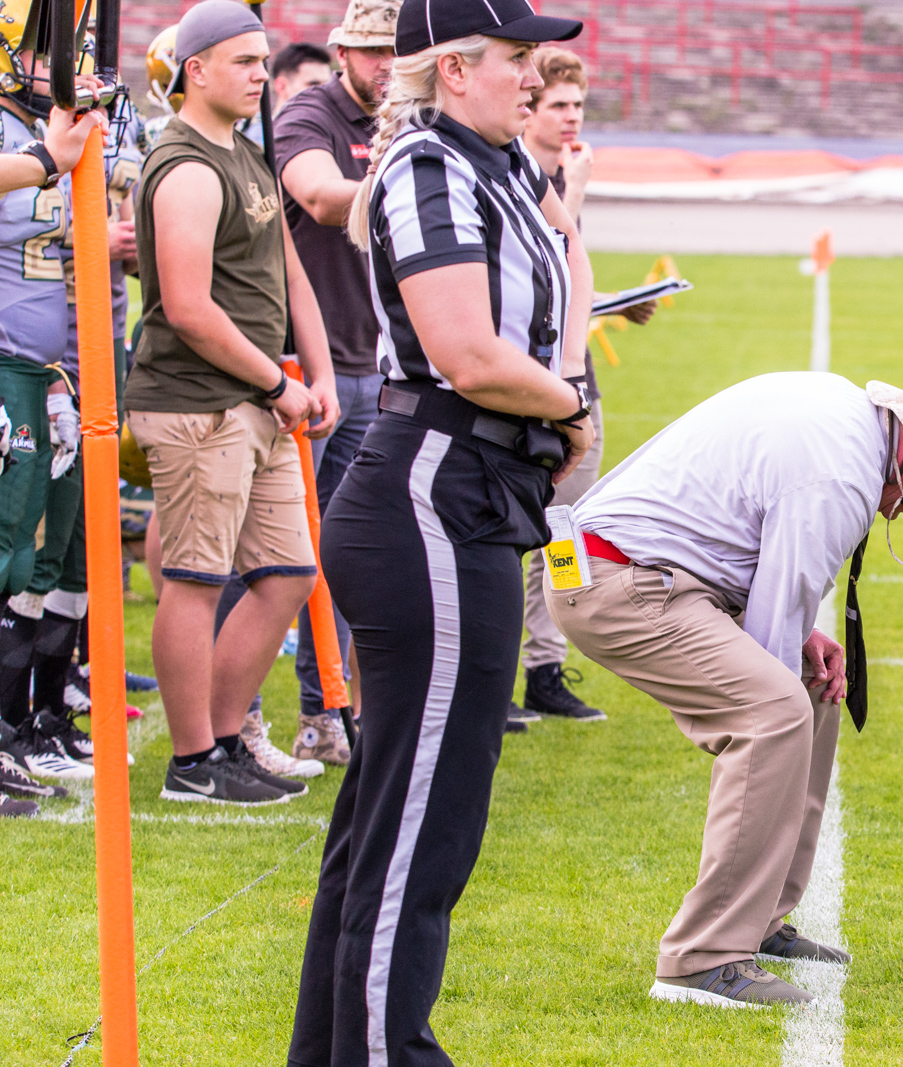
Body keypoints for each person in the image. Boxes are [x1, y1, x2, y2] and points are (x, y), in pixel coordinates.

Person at [286, 0, 591, 1059]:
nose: (532, 73)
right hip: (432, 490)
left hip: (466, 490)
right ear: (453, 69)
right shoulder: (429, 165)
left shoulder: (499, 164)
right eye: (514, 57)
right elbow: (468, 352)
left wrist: (560, 386)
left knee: (396, 811)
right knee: (424, 822)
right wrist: (567, 405)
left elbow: (561, 315)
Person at [547, 369, 903, 1006]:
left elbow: (749, 551)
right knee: (774, 712)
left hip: (633, 569)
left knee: (812, 690)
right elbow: (768, 636)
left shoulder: (847, 424)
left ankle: (761, 916)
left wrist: (801, 650)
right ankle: (702, 958)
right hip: (611, 578)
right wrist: (776, 678)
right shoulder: (841, 474)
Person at [124, 0, 340, 806]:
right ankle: (193, 761)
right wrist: (280, 382)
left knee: (287, 573)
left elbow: (288, 271)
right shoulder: (183, 163)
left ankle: (222, 739)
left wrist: (314, 371)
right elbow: (187, 306)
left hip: (260, 399)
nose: (262, 75)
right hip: (197, 403)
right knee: (194, 577)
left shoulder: (247, 152)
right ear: (196, 69)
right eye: (245, 62)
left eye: (262, 61)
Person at [511, 44, 654, 725]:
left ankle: (545, 664)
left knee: (564, 535)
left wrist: (620, 299)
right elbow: (536, 277)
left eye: (578, 105)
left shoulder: (555, 174)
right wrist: (576, 190)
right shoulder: (522, 177)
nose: (572, 118)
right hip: (529, 389)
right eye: (559, 105)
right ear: (528, 107)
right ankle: (508, 670)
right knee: (516, 534)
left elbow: (566, 288)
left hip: (575, 385)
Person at [275, 0, 398, 764]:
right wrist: (412, 172)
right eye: (374, 51)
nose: (388, 65)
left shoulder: (402, 121)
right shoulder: (311, 114)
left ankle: (327, 709)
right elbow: (320, 199)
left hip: (368, 359)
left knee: (346, 553)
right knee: (275, 557)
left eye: (398, 52)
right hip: (299, 367)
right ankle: (229, 727)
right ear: (343, 51)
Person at [0, 19, 112, 788]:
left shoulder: (47, 124)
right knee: (8, 551)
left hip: (43, 368)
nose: (65, 65)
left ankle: (18, 724)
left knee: (35, 553)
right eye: (47, 49)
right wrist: (45, 158)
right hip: (4, 364)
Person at [238, 42, 332, 146]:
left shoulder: (330, 132)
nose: (323, 91)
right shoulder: (258, 137)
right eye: (313, 84)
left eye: (327, 85)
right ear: (282, 86)